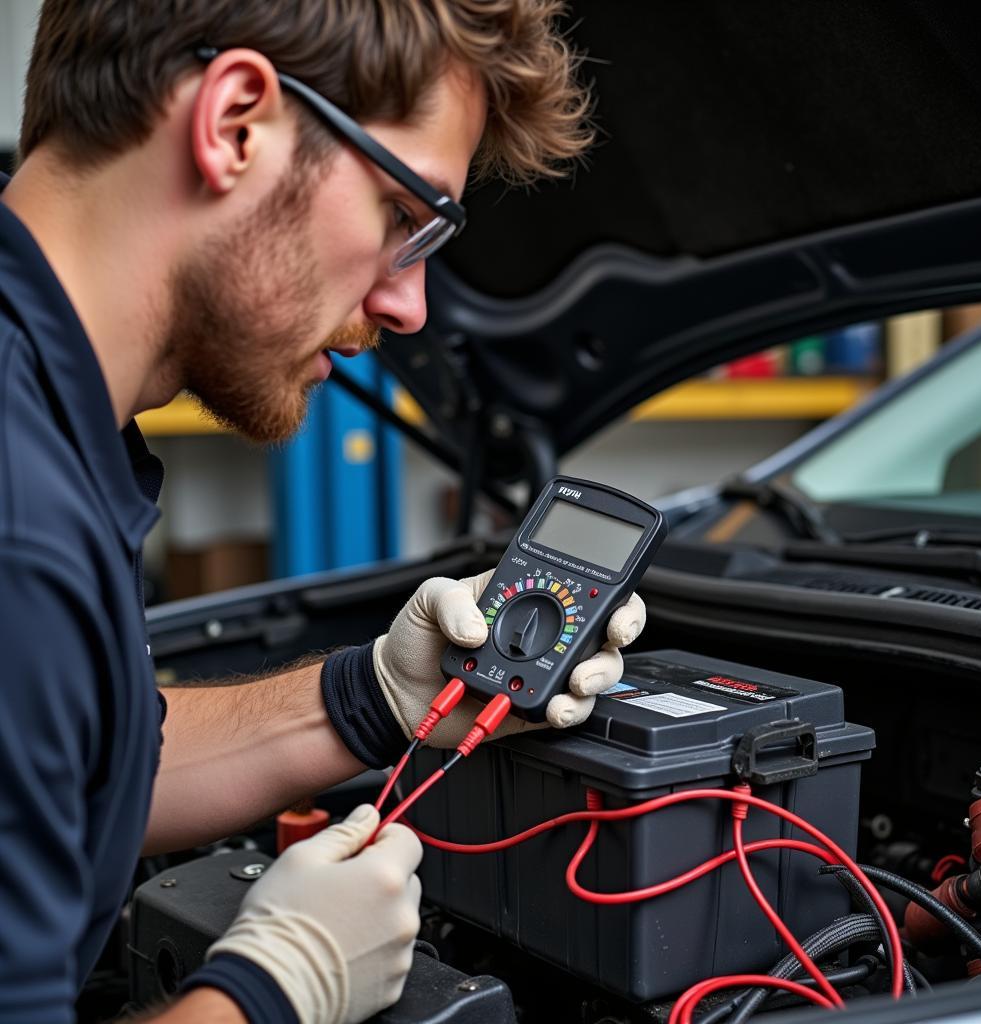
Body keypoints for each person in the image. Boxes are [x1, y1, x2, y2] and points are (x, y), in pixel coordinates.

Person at [0, 2, 647, 1022]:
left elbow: (71, 772)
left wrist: (373, 697)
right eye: (404, 216)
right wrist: (273, 987)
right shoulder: (19, 531)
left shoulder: (42, 419)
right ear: (236, 123)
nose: (409, 307)